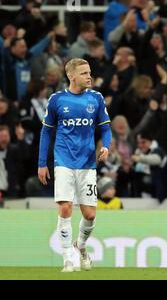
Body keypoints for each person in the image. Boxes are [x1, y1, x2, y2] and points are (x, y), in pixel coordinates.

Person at [37, 58, 112, 273]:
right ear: (71, 76)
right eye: (84, 73)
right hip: (63, 161)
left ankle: (80, 246)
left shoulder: (96, 98)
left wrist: (106, 147)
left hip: (87, 163)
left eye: (89, 72)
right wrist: (43, 163)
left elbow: (105, 128)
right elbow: (46, 131)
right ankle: (67, 259)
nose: (89, 76)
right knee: (66, 207)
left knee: (89, 215)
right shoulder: (57, 100)